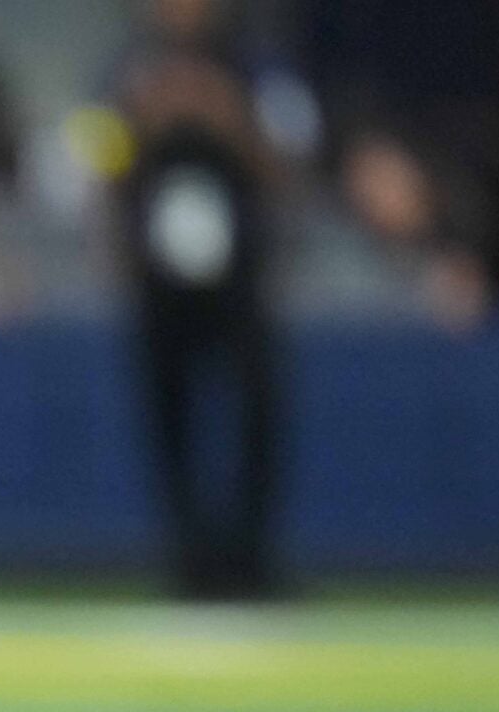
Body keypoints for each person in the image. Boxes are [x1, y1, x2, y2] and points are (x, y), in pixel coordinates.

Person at [92, 0, 299, 599]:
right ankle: (188, 563)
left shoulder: (255, 69)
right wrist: (144, 119)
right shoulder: (126, 71)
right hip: (159, 280)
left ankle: (251, 561)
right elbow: (93, 166)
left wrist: (227, 117)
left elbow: (289, 163)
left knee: (257, 411)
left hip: (241, 277)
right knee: (168, 419)